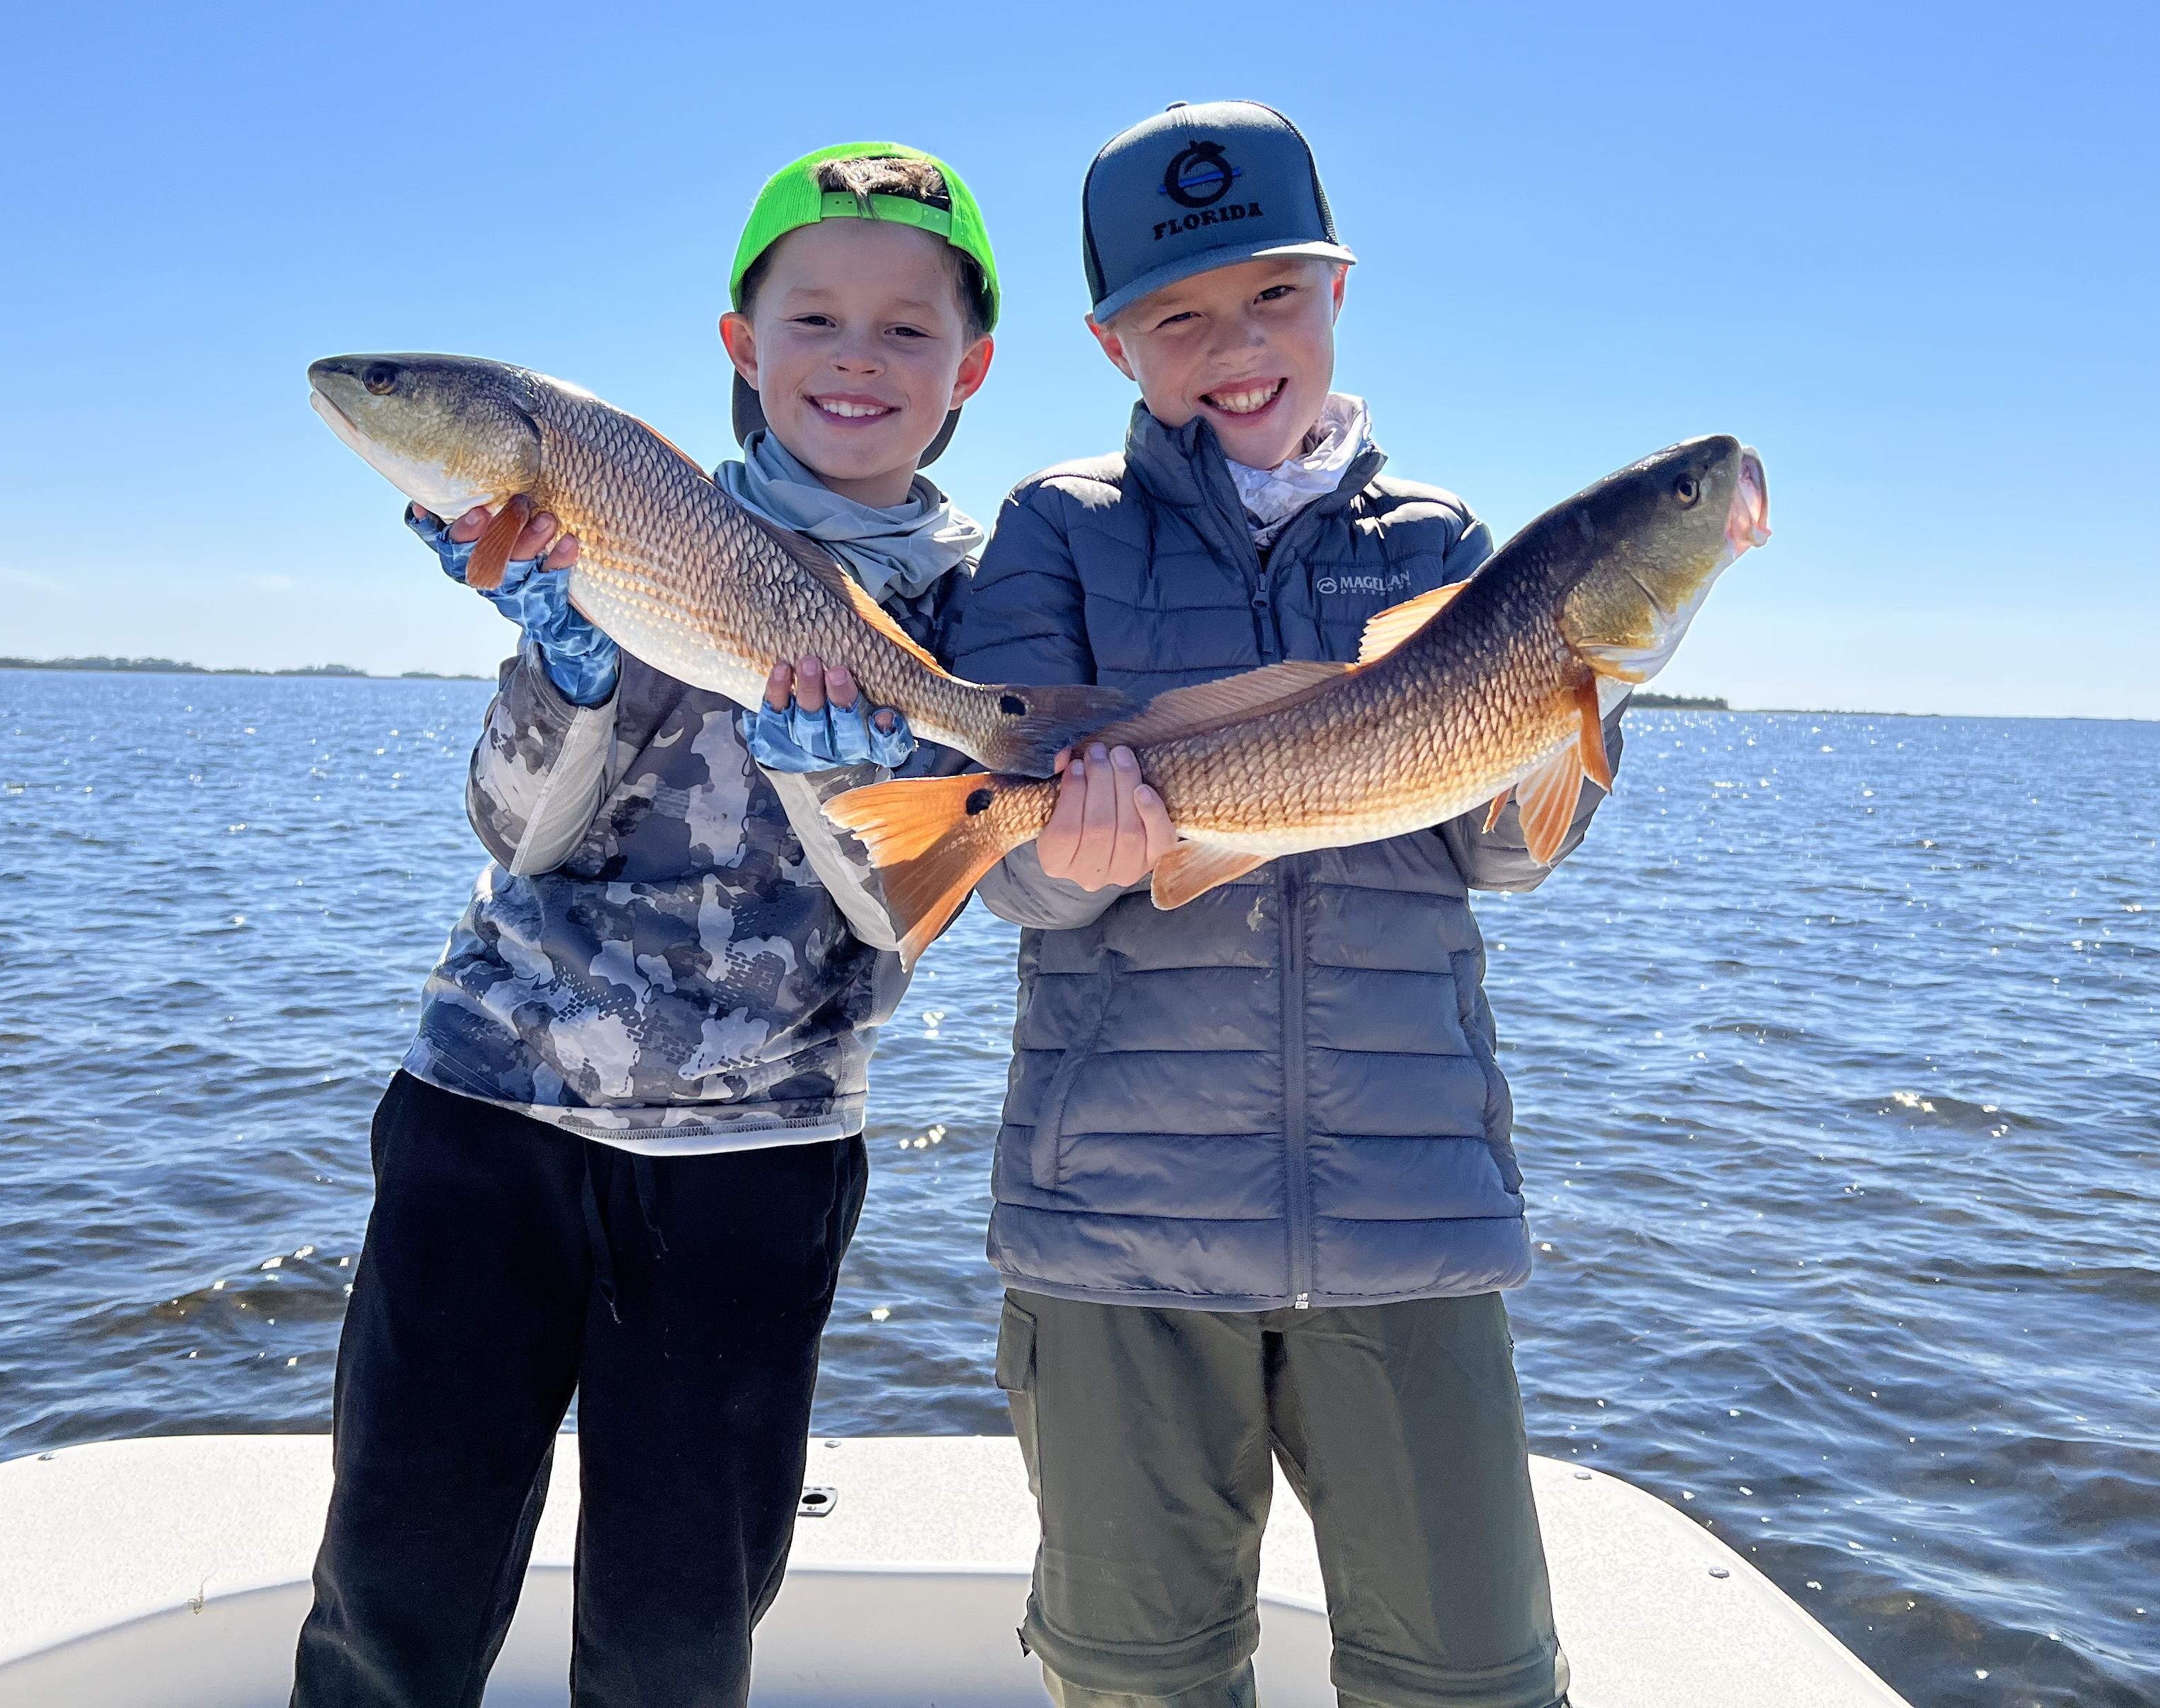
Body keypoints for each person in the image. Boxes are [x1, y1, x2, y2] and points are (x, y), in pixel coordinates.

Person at [292, 144, 1001, 1708]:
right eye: (813, 318)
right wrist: (568, 665)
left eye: (906, 326)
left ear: (975, 365)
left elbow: (906, 909)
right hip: (486, 1116)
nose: (857, 359)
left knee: (679, 1638)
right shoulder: (612, 521)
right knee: (391, 1596)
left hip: (755, 1165)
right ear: (742, 347)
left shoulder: (990, 608)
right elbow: (512, 830)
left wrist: (844, 780)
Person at [946, 102, 1621, 1708]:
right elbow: (1007, 862)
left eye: (1273, 296)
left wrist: (1582, 706)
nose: (1234, 346)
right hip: (1116, 1222)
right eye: (1178, 314)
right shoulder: (1058, 532)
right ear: (1116, 347)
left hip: (1413, 1218)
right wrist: (1076, 852)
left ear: (1338, 291)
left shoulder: (1444, 541)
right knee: (1137, 1679)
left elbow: (1503, 859)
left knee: (1473, 1680)